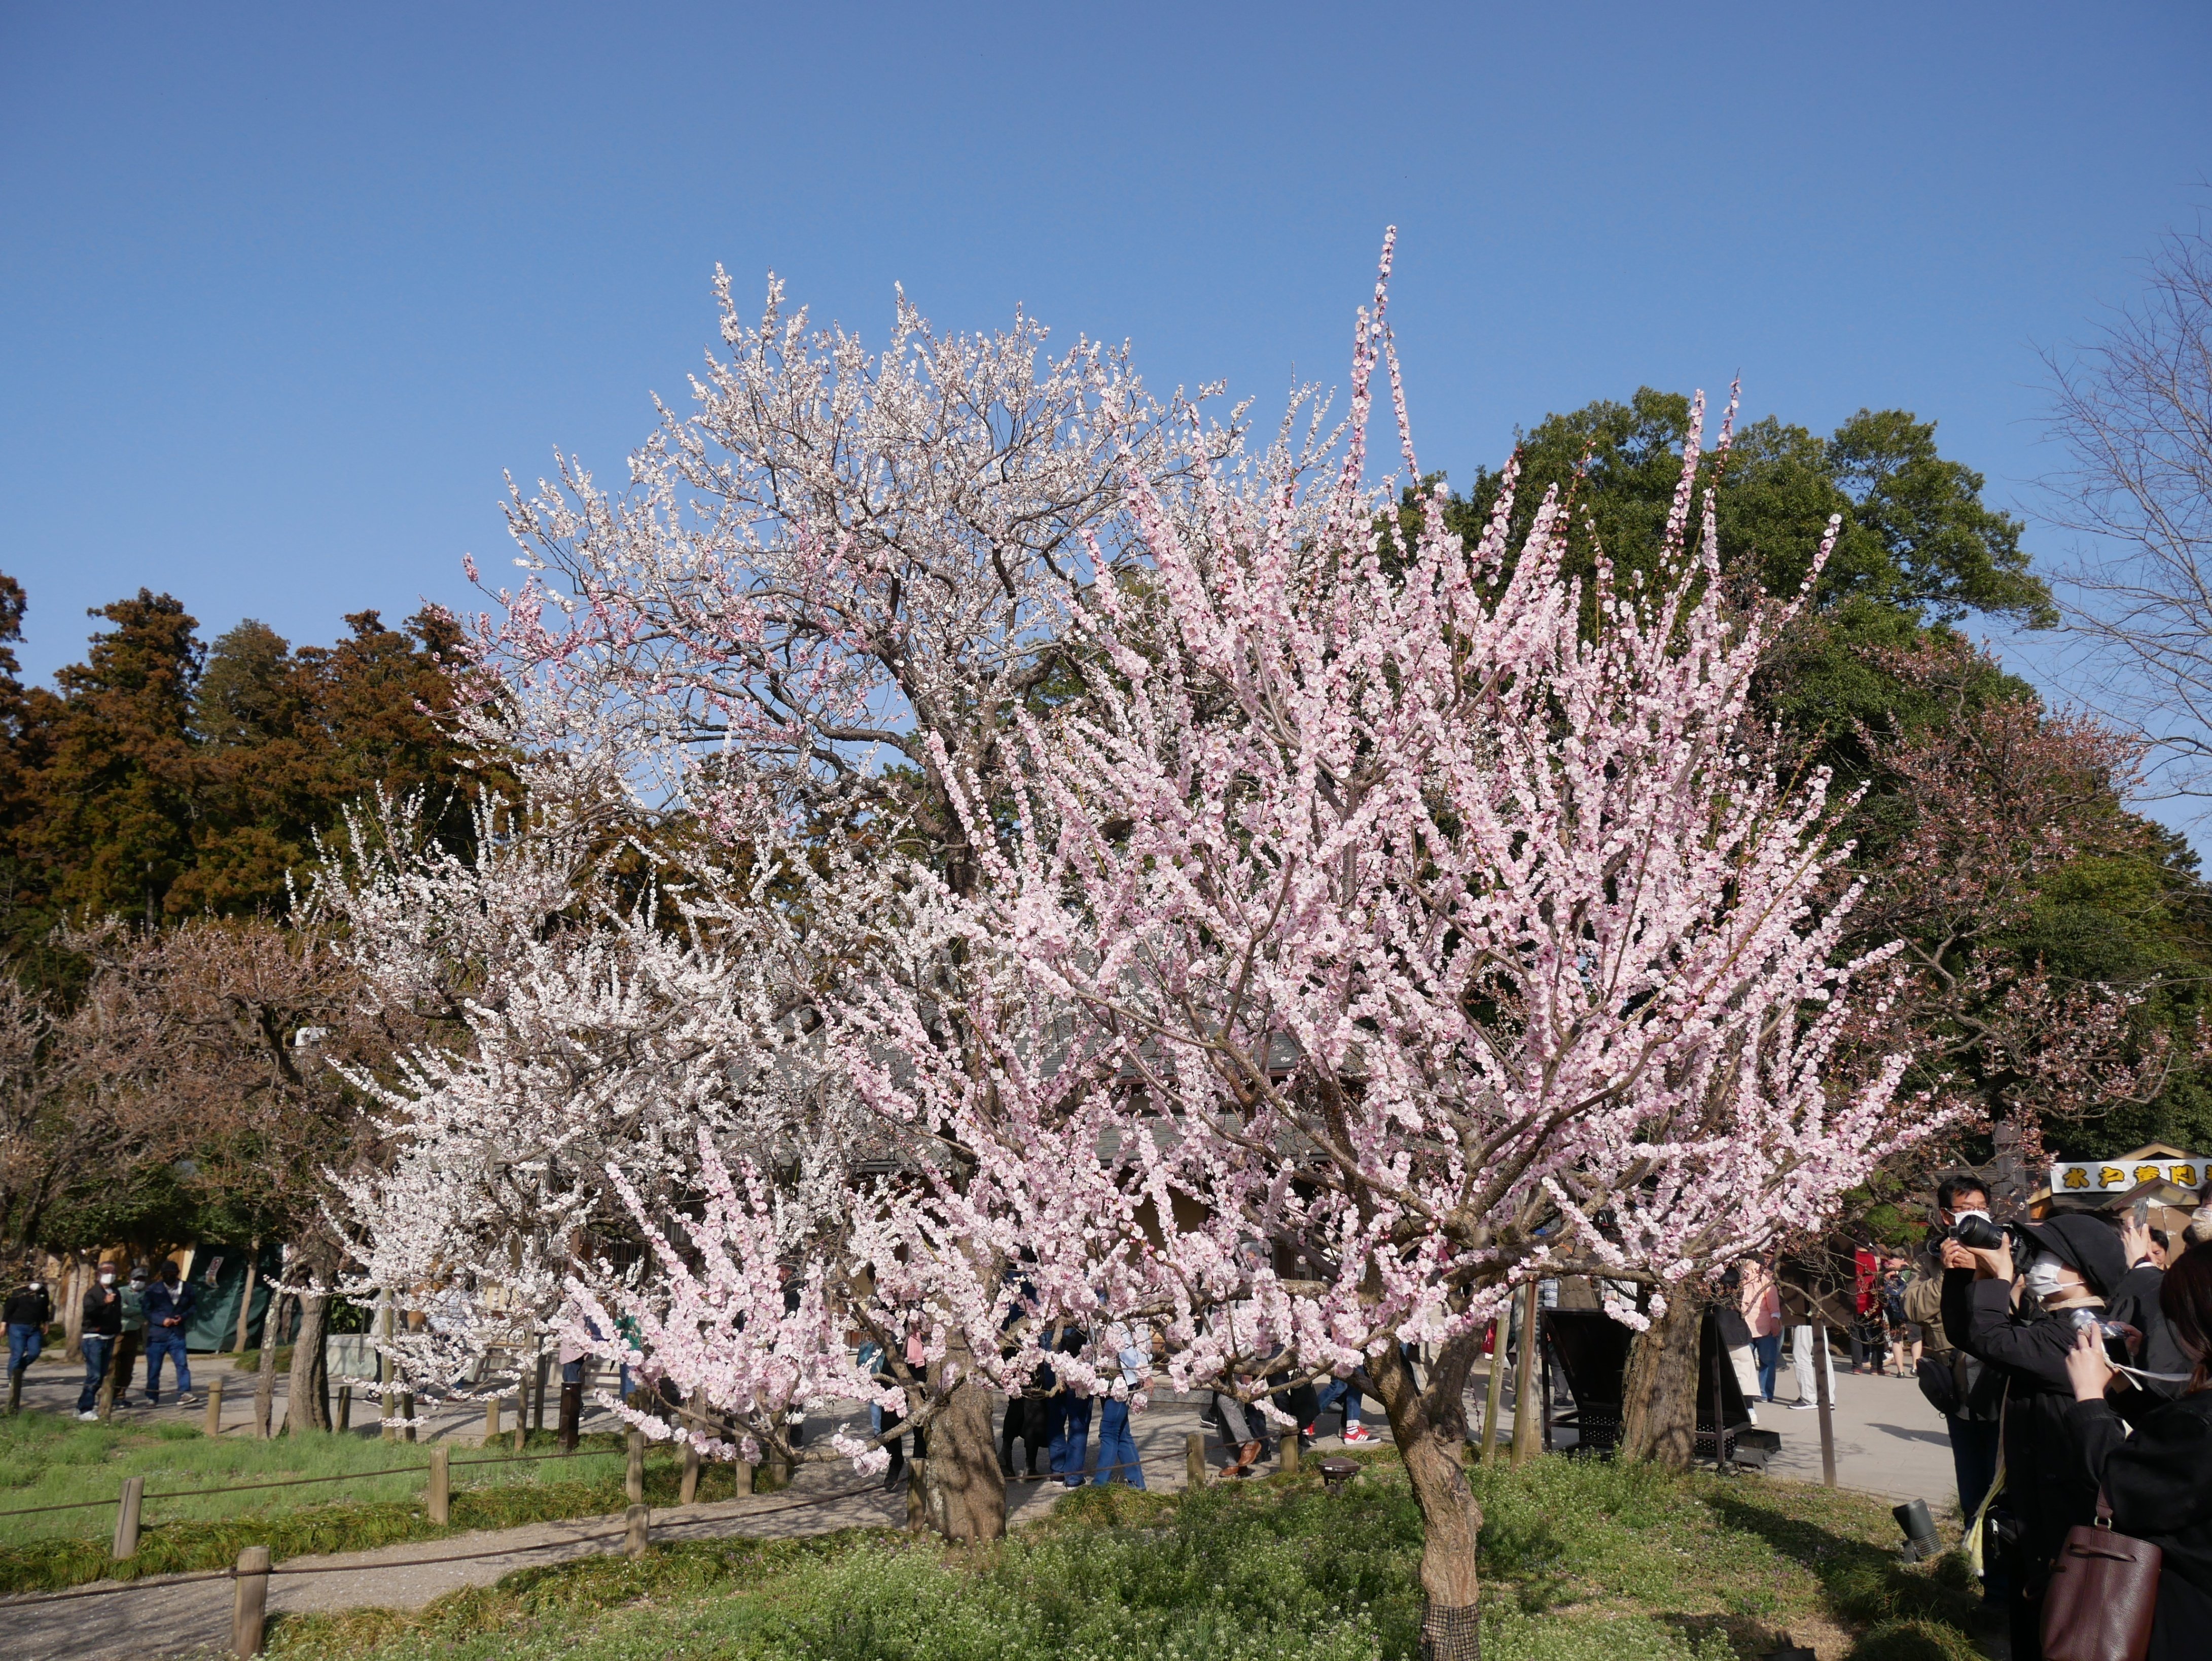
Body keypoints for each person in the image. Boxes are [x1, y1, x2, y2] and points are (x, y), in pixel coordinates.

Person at [1949, 1209, 2128, 1660]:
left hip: (2064, 1517)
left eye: (2049, 1254)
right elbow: (1971, 1335)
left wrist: (2002, 1275)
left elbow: (1990, 1336)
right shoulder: (2058, 1324)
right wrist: (1964, 1278)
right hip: (2037, 1511)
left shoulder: (2085, 1335)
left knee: (2056, 1631)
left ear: (2084, 1272)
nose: (2037, 1264)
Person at [2061, 1237, 2212, 1661]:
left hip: (2188, 1615)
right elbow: (2175, 1461)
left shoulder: (2198, 1422)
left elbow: (2118, 1488)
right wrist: (2125, 1386)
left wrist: (2090, 1398)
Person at [1911, 1175, 2003, 1528]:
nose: (1975, 1215)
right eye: (1965, 1210)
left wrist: (1994, 1265)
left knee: (2003, 1471)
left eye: (1981, 1208)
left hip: (2001, 1378)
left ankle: (2003, 1544)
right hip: (1958, 1384)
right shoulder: (1932, 1258)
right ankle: (1974, 1540)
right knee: (1970, 1473)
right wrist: (1947, 1276)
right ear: (1948, 1216)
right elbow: (1914, 1308)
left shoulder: (2002, 1247)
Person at [1092, 1317, 1149, 1488]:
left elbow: (1143, 1341)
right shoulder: (1098, 1303)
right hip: (1104, 1379)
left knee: (1108, 1431)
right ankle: (1137, 1484)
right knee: (1122, 1433)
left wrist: (1145, 1374)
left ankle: (1099, 1485)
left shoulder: (1131, 1306)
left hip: (1123, 1378)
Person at [141, 1259, 199, 1407]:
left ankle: (185, 1393)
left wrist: (183, 1317)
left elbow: (193, 1307)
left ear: (177, 1274)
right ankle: (152, 1396)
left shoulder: (187, 1288)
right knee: (154, 1367)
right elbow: (147, 1310)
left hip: (177, 1334)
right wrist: (161, 1320)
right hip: (157, 1335)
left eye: (172, 1274)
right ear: (162, 1275)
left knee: (182, 1365)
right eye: (166, 1274)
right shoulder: (153, 1289)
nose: (169, 1276)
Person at [1778, 1273, 1835, 1410]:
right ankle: (1827, 1397)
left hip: (1806, 1313)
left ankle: (1808, 1397)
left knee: (1802, 1354)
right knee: (1822, 1353)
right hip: (1817, 1310)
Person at [76, 1261, 123, 1420]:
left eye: (113, 1271)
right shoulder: (92, 1293)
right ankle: (85, 1409)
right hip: (93, 1338)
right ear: (99, 1274)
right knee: (94, 1375)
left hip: (109, 1337)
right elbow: (89, 1312)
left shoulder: (115, 1292)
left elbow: (117, 1313)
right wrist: (104, 1303)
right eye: (106, 1271)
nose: (110, 1274)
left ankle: (82, 1405)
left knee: (102, 1375)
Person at [1740, 1258, 1783, 1403]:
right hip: (1742, 1324)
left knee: (1768, 1360)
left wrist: (1775, 1318)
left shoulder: (1763, 1273)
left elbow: (1772, 1297)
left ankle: (1765, 1392)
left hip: (1763, 1324)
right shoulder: (1735, 1272)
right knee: (1744, 1361)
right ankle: (1746, 1393)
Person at [5, 1270, 52, 1388]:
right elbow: (9, 1309)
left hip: (34, 1327)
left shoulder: (43, 1292)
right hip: (18, 1326)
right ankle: (14, 1378)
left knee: (35, 1352)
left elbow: (44, 1308)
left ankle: (19, 1369)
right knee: (18, 1353)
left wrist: (46, 1322)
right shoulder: (19, 1292)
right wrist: (3, 1325)